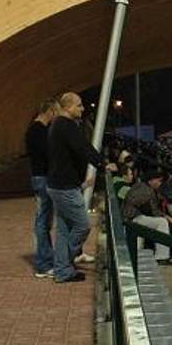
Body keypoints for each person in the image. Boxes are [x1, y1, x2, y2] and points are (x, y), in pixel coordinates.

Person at [45, 92, 108, 283]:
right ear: (68, 107)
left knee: (64, 230)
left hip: (59, 185)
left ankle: (63, 271)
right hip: (65, 187)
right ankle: (63, 264)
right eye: (79, 105)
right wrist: (104, 164)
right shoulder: (67, 126)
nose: (82, 109)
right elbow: (83, 148)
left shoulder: (57, 125)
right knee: (82, 226)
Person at [25, 97, 59, 278]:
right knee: (43, 221)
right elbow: (48, 154)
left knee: (44, 221)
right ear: (50, 111)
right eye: (55, 113)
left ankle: (46, 260)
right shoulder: (39, 131)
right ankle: (43, 265)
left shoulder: (33, 130)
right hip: (43, 178)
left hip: (39, 177)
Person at [123, 169, 172, 265]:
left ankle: (163, 255)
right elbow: (153, 210)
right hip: (132, 218)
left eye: (160, 181)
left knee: (162, 222)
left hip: (133, 217)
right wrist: (166, 217)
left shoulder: (142, 186)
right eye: (157, 180)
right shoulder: (146, 190)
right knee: (162, 222)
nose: (159, 183)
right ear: (150, 181)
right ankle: (162, 256)